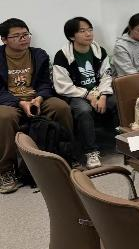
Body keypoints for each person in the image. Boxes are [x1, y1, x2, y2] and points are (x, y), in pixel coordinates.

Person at [0, 18, 73, 194]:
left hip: (36, 98)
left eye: (26, 34)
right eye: (17, 36)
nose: (23, 38)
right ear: (4, 39)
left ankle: (67, 157)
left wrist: (39, 99)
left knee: (61, 107)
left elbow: (45, 83)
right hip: (9, 102)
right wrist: (20, 103)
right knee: (4, 118)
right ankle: (6, 170)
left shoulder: (39, 55)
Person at [53, 17, 117, 170]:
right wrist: (88, 95)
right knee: (83, 110)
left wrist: (103, 95)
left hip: (98, 91)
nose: (88, 34)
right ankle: (91, 152)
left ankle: (122, 143)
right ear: (72, 36)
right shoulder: (62, 56)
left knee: (116, 102)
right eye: (82, 31)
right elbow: (62, 85)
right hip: (77, 94)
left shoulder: (99, 51)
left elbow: (106, 75)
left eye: (90, 30)